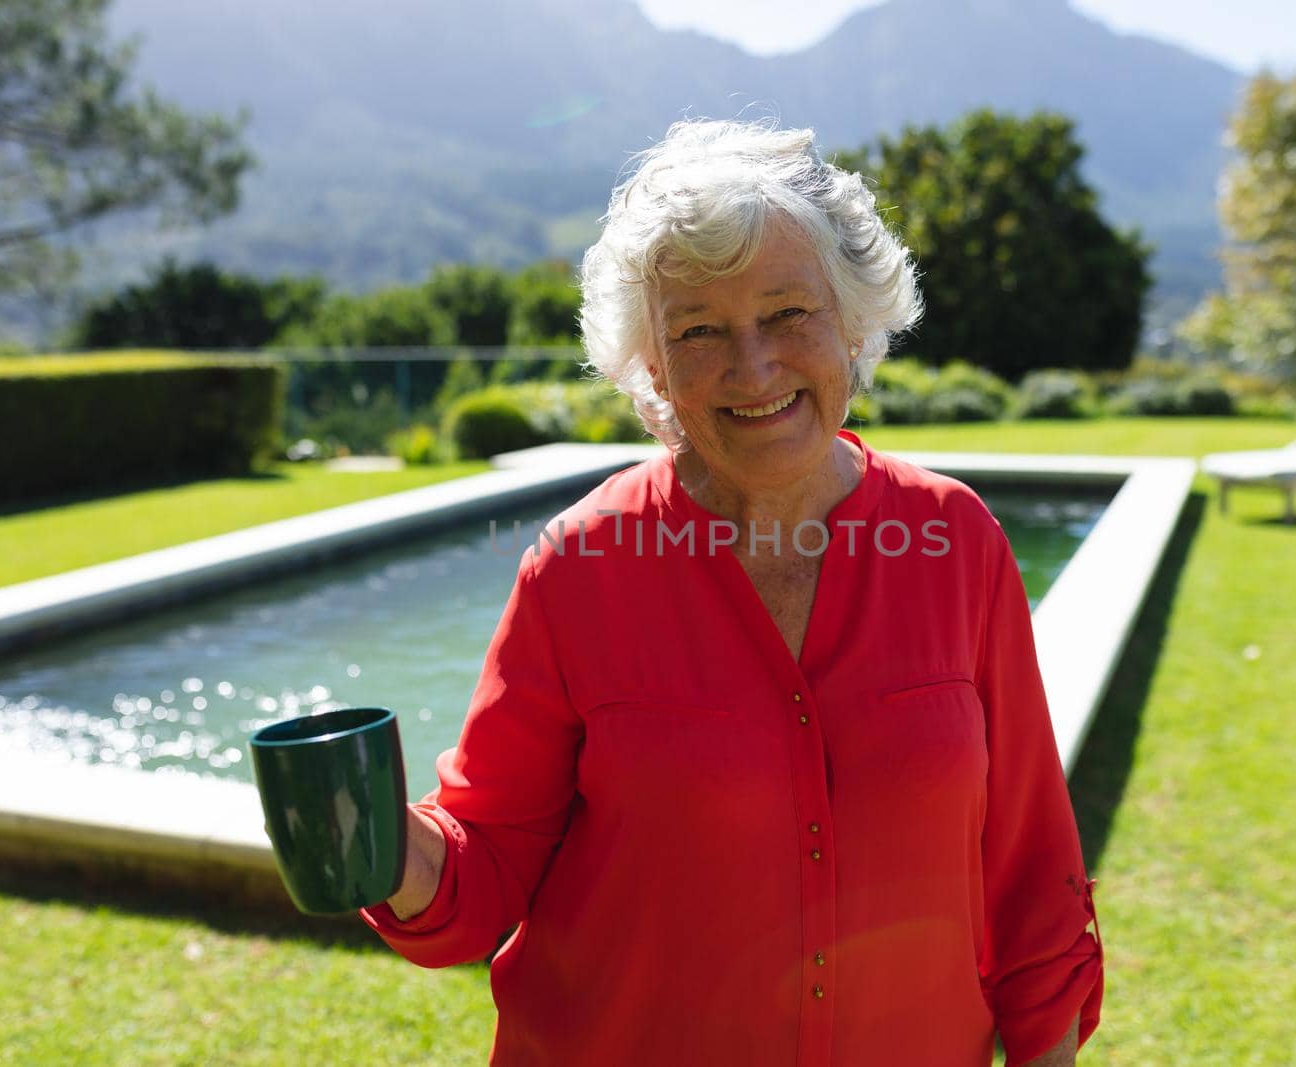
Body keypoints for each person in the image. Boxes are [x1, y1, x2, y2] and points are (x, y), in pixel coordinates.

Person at [360, 120, 1103, 1066]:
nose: (752, 366)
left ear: (854, 322)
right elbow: (485, 860)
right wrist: (381, 840)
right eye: (699, 329)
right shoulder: (580, 566)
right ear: (653, 367)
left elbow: (1032, 866)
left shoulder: (956, 542)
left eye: (789, 313)